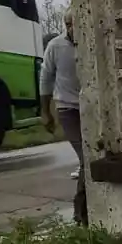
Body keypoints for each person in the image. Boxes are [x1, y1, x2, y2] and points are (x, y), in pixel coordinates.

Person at [40, 12, 87, 225]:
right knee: (87, 157)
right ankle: (81, 212)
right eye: (68, 24)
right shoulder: (56, 46)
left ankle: (86, 211)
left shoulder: (90, 42)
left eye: (75, 23)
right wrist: (45, 111)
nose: (72, 27)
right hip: (68, 109)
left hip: (90, 108)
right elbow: (46, 78)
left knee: (92, 156)